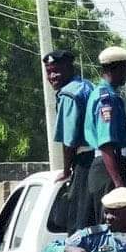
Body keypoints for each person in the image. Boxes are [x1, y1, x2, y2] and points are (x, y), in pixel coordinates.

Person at [84, 46, 126, 225]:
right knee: (111, 223)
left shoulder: (111, 95)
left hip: (113, 163)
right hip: (107, 168)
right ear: (115, 69)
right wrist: (118, 183)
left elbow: (121, 139)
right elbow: (106, 144)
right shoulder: (106, 99)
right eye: (125, 69)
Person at [43, 50, 95, 234]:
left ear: (69, 68)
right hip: (102, 157)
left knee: (79, 223)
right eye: (49, 72)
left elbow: (69, 140)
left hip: (86, 160)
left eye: (57, 71)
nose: (52, 76)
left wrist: (66, 171)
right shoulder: (87, 85)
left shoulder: (69, 94)